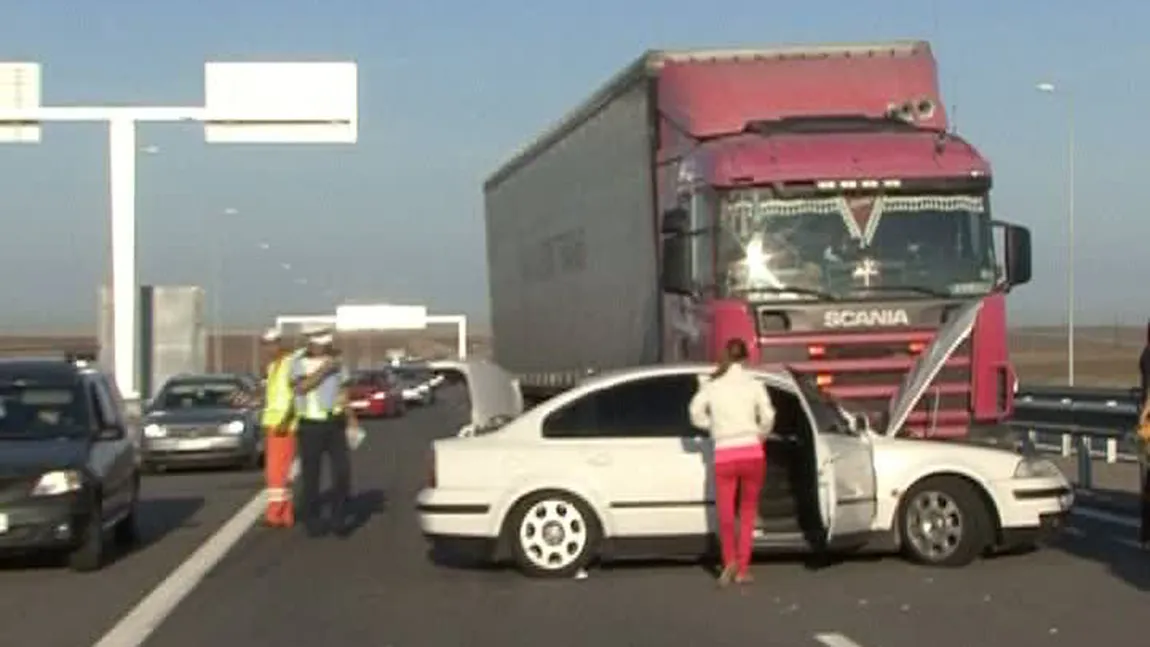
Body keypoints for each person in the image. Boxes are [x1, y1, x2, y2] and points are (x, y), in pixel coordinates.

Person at [688, 338, 775, 587]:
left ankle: (728, 561)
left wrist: (713, 427)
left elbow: (694, 413)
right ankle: (743, 568)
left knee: (725, 512)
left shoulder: (712, 386)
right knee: (747, 513)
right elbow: (769, 416)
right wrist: (760, 434)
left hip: (724, 453)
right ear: (746, 358)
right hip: (752, 452)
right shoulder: (754, 384)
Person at [291, 329, 357, 537]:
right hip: (311, 425)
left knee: (342, 471)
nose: (324, 348)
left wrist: (351, 417)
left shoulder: (336, 362)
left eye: (327, 345)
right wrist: (324, 370)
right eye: (320, 345)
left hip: (334, 423)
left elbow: (342, 392)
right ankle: (313, 519)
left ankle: (339, 517)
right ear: (311, 344)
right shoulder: (298, 363)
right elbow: (301, 388)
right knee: (312, 475)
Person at [258, 328, 299, 528]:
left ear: (279, 343)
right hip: (274, 422)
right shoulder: (274, 366)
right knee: (281, 472)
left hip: (283, 424)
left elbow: (296, 395)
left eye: (271, 344)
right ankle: (285, 513)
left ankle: (275, 514)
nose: (268, 348)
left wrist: (286, 419)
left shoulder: (289, 363)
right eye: (265, 345)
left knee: (276, 472)